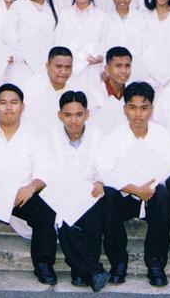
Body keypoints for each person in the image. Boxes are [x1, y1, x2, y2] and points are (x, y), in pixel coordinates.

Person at [0, 84, 59, 285]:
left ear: (22, 106)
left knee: (45, 213)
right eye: (3, 103)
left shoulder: (36, 134)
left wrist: (32, 187)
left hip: (20, 193)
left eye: (14, 102)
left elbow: (45, 169)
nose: (8, 108)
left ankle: (43, 264)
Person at [96, 82, 170, 287]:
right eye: (132, 107)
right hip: (126, 196)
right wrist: (134, 189)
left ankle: (155, 263)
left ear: (152, 109)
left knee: (164, 194)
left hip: (151, 195)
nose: (138, 114)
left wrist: (147, 189)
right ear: (125, 109)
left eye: (144, 108)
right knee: (108, 194)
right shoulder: (114, 137)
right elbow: (105, 170)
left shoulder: (163, 136)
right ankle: (118, 262)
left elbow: (169, 168)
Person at [41, 91, 110, 292]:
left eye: (79, 115)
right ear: (60, 115)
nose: (74, 120)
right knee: (65, 220)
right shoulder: (50, 137)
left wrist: (101, 181)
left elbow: (104, 165)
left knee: (92, 212)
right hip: (61, 190)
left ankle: (80, 271)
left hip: (89, 190)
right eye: (68, 115)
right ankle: (92, 271)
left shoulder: (98, 135)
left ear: (87, 114)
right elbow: (47, 168)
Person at [7, 0, 58, 81]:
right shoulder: (19, 5)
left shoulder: (52, 8)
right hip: (23, 65)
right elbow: (9, 33)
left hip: (46, 66)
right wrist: (19, 56)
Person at [54, 0, 106, 83]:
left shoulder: (102, 15)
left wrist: (101, 58)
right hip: (68, 68)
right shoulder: (65, 14)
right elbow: (57, 40)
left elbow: (106, 42)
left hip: (92, 67)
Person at [19, 46, 81, 131]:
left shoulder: (76, 88)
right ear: (47, 66)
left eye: (68, 67)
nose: (64, 71)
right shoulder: (32, 87)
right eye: (58, 66)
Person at [85, 46, 133, 134]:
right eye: (118, 66)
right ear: (107, 69)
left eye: (127, 66)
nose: (123, 71)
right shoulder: (93, 96)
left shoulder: (132, 95)